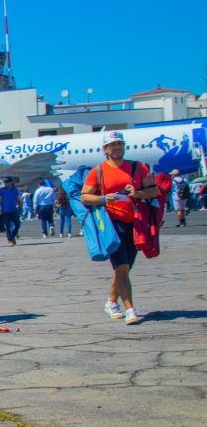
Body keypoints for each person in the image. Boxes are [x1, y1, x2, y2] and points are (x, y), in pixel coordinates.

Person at [80, 131, 158, 325]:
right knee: (121, 267)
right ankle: (130, 310)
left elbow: (153, 190)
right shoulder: (98, 171)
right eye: (112, 145)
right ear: (105, 149)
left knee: (125, 268)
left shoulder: (137, 167)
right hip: (112, 225)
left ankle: (111, 302)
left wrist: (137, 193)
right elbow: (84, 197)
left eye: (119, 144)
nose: (117, 147)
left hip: (136, 223)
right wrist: (103, 198)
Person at [0, 177, 23, 246]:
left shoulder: (15, 189)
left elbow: (18, 199)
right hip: (5, 211)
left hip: (14, 210)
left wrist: (20, 209)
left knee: (17, 224)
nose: (5, 184)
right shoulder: (2, 190)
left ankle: (13, 236)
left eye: (7, 183)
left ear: (11, 183)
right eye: (4, 183)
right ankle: (10, 240)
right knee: (8, 226)